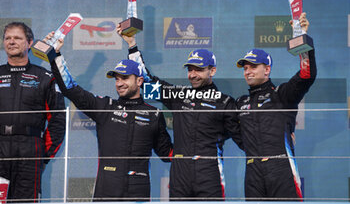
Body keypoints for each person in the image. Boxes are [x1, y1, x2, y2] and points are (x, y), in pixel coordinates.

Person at [118, 25, 243, 201]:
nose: (192, 74)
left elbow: (244, 136)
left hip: (209, 172)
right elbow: (146, 80)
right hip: (179, 173)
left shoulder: (225, 101)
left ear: (212, 70)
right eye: (190, 69)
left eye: (198, 69)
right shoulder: (179, 95)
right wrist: (132, 45)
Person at [45, 32, 173, 202]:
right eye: (117, 79)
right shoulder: (105, 107)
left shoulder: (154, 114)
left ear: (140, 81)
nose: (119, 83)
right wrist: (55, 56)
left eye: (125, 78)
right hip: (107, 190)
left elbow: (167, 153)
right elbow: (70, 89)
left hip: (138, 192)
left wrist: (192, 136)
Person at [235, 12, 316, 201]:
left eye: (253, 66)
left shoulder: (282, 94)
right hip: (252, 171)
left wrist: (302, 37)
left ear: (267, 69)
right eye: (245, 68)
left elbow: (306, 75)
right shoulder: (240, 103)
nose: (248, 71)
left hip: (281, 169)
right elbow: (236, 133)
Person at [0, 22, 66, 203]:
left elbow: (58, 119)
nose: (11, 42)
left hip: (30, 148)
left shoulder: (44, 77)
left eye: (17, 38)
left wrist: (43, 156)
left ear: (29, 43)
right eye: (8, 38)